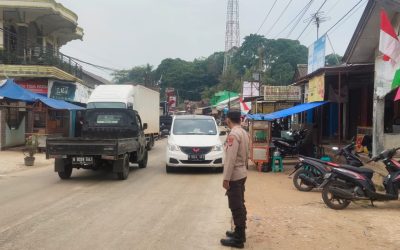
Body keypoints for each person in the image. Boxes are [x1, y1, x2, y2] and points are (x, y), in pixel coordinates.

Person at [220, 110, 250, 249]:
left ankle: (238, 239)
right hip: (242, 173)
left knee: (236, 206)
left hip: (234, 176)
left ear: (228, 120)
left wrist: (226, 179)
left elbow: (230, 159)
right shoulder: (243, 132)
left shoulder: (233, 134)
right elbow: (246, 153)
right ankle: (239, 233)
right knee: (240, 204)